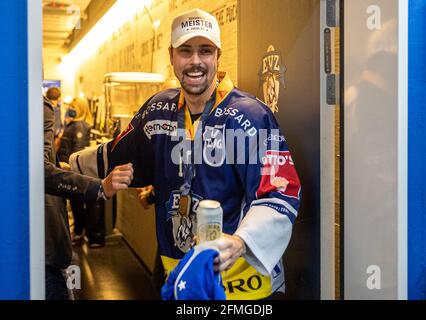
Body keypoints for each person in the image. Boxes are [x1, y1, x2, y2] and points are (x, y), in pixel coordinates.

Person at [70, 8, 301, 300]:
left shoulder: (251, 116)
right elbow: (116, 152)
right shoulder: (157, 111)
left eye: (205, 51)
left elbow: (280, 193)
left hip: (248, 290)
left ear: (218, 55)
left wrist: (241, 241)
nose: (195, 61)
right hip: (184, 283)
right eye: (185, 51)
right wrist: (68, 165)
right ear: (171, 56)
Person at [43, 95, 134, 299]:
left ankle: (88, 234)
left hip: (68, 179)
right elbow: (42, 169)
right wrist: (99, 187)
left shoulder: (78, 125)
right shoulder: (41, 108)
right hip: (48, 245)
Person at [57, 97, 104, 247]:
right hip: (69, 170)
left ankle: (81, 233)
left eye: (73, 106)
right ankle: (79, 232)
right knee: (76, 204)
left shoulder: (79, 126)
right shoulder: (73, 124)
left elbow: (77, 150)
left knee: (79, 205)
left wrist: (71, 169)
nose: (70, 108)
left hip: (73, 171)